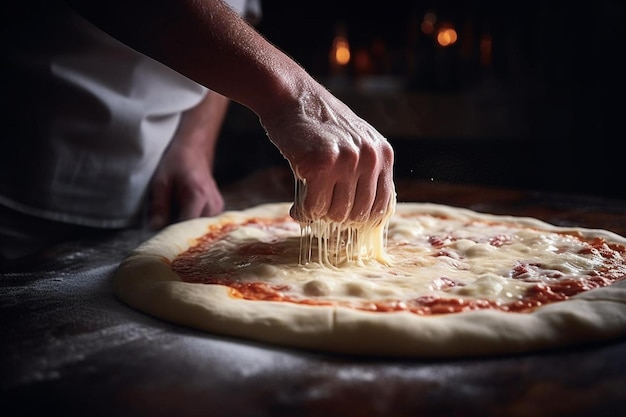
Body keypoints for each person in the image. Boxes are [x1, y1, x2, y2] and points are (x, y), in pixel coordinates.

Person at [0, 0, 395, 262]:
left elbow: (232, 17)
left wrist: (193, 141)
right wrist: (296, 94)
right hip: (22, 179)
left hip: (158, 194)